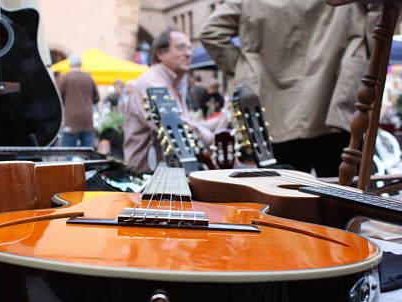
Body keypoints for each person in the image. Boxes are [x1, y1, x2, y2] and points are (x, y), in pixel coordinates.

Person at [200, 1, 380, 177]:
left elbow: (211, 33)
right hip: (333, 102)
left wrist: (245, 69)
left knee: (285, 200)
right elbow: (380, 23)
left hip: (276, 114)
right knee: (348, 200)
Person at [123, 28, 216, 173]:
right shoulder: (152, 84)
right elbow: (180, 127)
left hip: (170, 173)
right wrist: (211, 138)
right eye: (181, 47)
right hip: (146, 179)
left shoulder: (176, 84)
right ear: (160, 53)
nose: (188, 53)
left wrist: (224, 118)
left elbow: (189, 124)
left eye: (190, 48)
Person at [58, 53, 100, 147]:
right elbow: (96, 98)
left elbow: (59, 98)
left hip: (71, 120)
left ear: (69, 64)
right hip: (87, 121)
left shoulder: (65, 78)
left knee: (69, 151)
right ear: (81, 64)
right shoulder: (88, 77)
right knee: (87, 151)